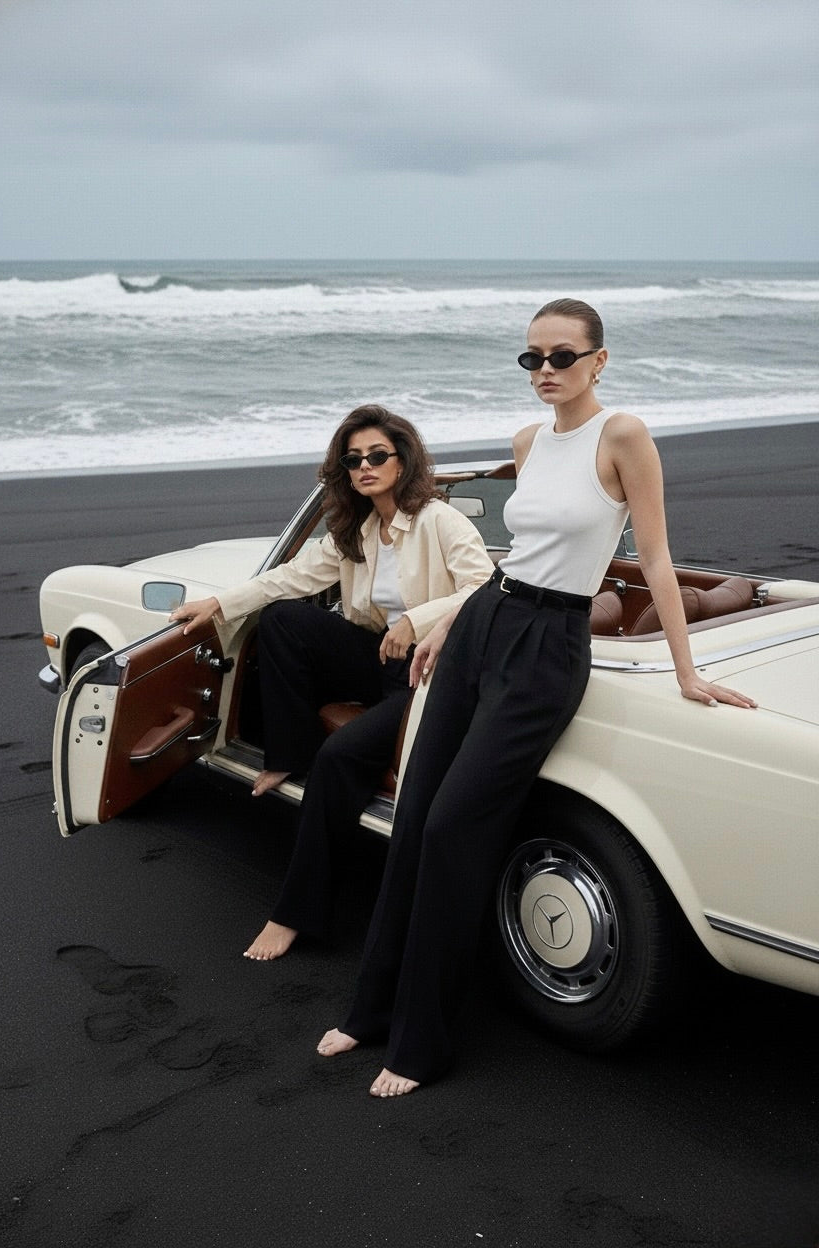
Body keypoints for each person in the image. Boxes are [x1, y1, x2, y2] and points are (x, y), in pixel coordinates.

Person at [316, 299, 758, 1097]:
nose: (545, 372)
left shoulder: (623, 436)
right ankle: (371, 1008)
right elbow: (517, 554)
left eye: (561, 356)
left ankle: (421, 1043)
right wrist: (451, 621)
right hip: (486, 621)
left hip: (551, 645)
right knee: (415, 814)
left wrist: (688, 673)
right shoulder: (528, 442)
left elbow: (656, 558)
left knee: (454, 828)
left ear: (599, 360)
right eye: (531, 359)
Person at [171, 404, 494, 961]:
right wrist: (219, 603)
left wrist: (417, 621)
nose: (364, 465)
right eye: (353, 459)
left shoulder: (441, 521)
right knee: (282, 620)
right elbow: (290, 577)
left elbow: (485, 587)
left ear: (403, 459)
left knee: (340, 757)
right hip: (378, 658)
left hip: (430, 674)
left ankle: (294, 914)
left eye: (376, 455)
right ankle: (285, 754)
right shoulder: (358, 530)